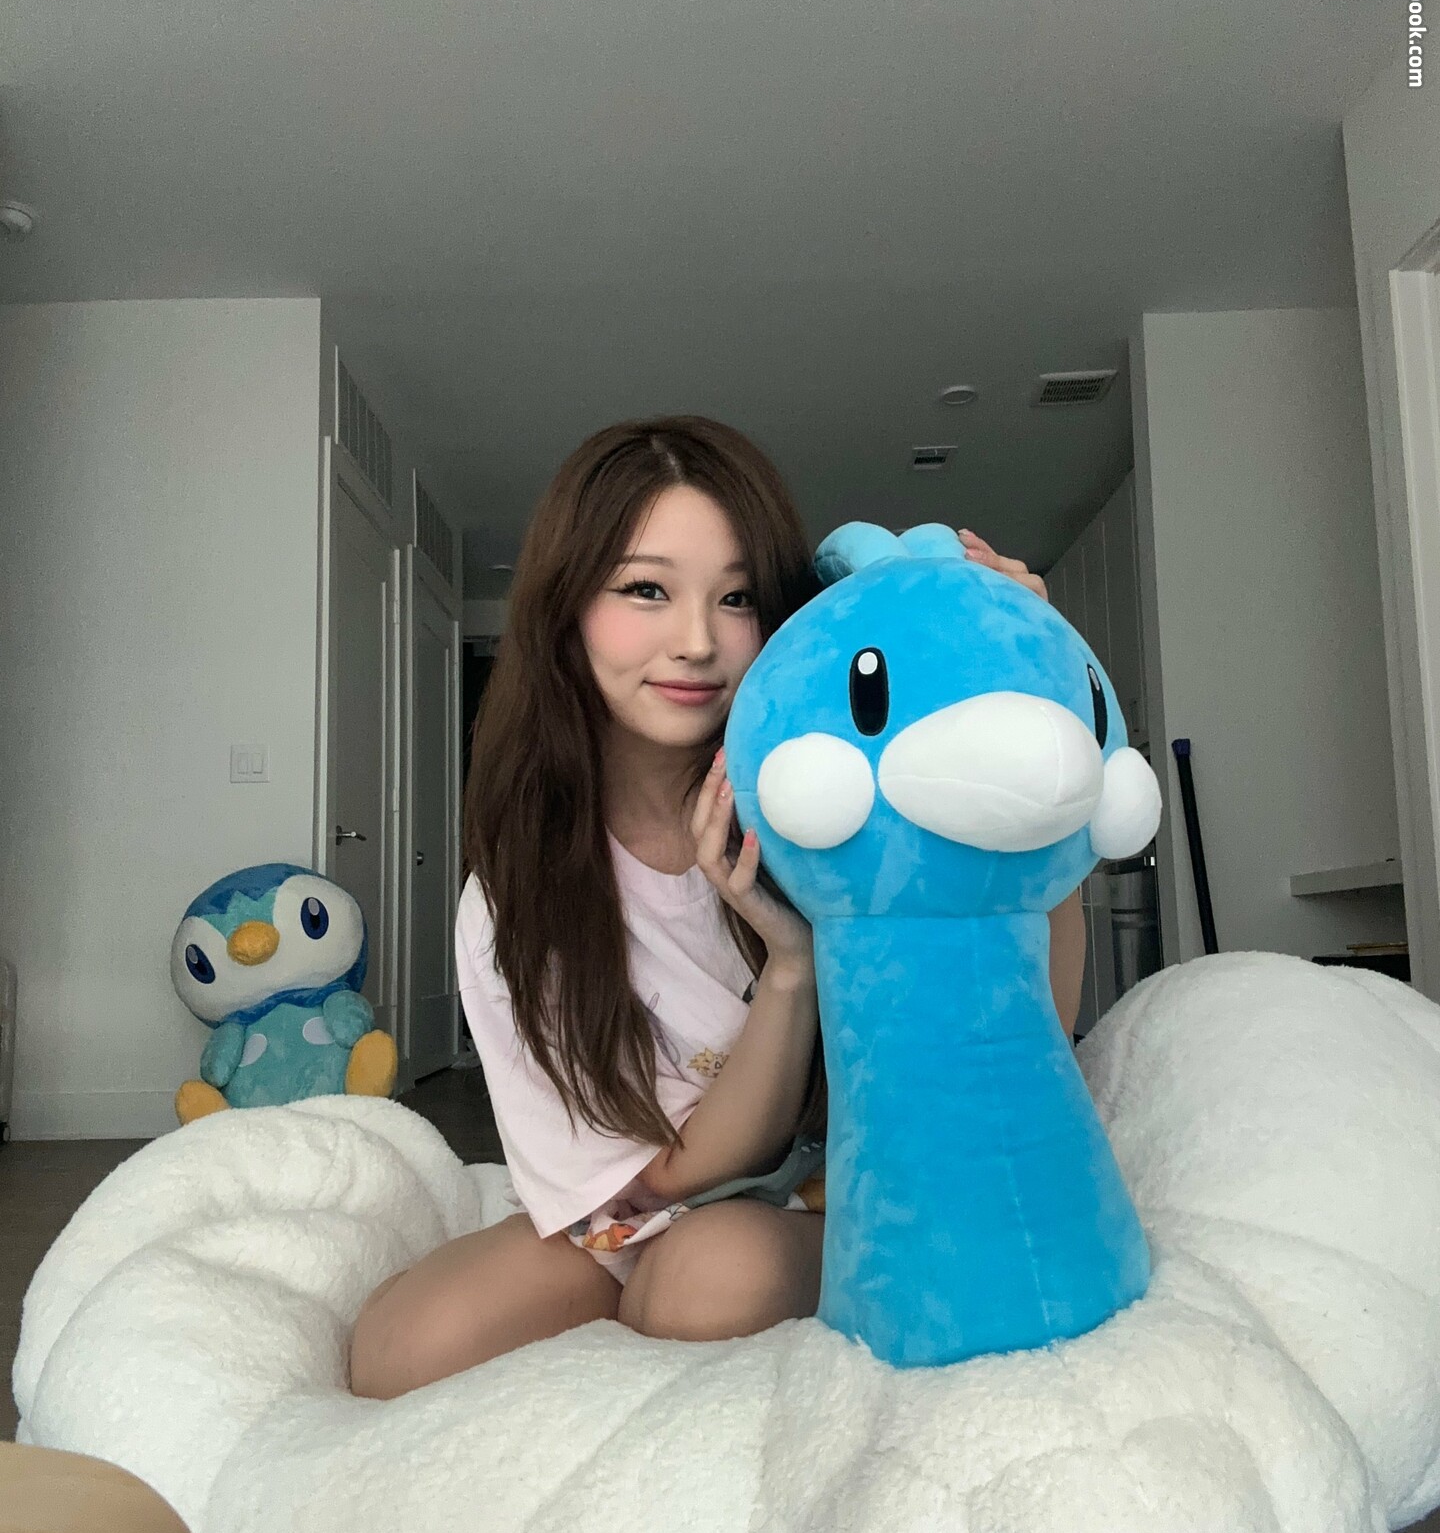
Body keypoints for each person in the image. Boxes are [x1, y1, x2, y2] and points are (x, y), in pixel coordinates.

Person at [348, 416, 1084, 1399]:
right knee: (399, 1350)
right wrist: (789, 972)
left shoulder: (841, 794)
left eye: (736, 598)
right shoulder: (520, 893)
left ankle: (829, 1280)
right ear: (567, 607)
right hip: (656, 1197)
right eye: (645, 590)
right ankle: (672, 1294)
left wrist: (1031, 688)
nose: (695, 643)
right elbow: (655, 1181)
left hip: (864, 1190)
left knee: (704, 1282)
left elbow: (1032, 1030)